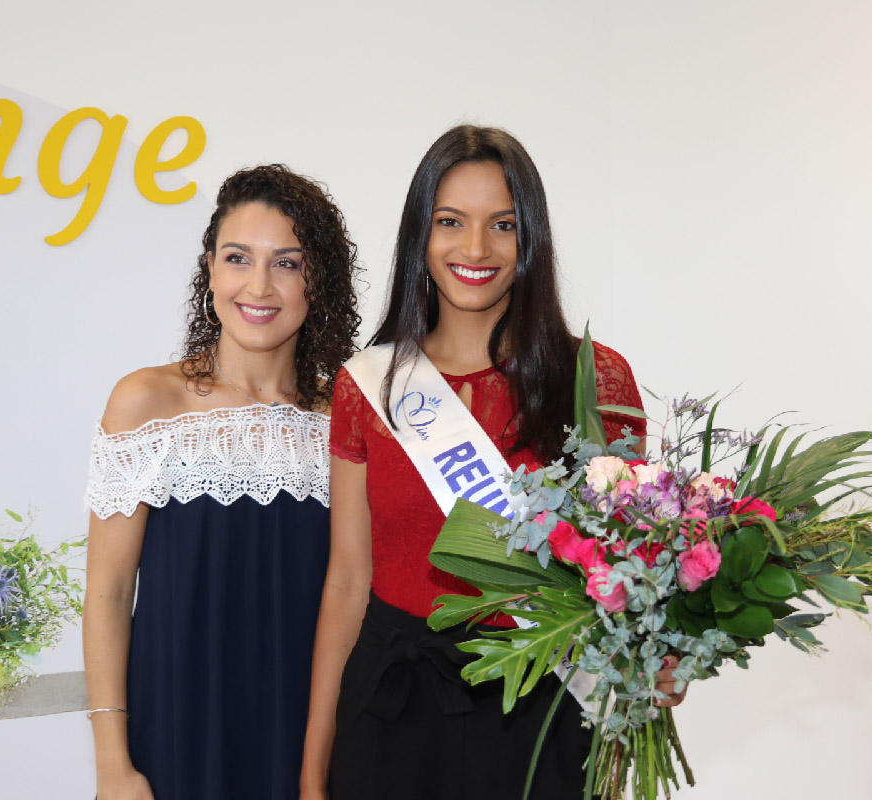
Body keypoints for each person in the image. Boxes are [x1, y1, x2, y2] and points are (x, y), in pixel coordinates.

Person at [299, 125, 683, 800]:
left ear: (528, 240)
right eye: (451, 221)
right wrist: (311, 773)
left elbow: (630, 571)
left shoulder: (594, 380)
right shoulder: (370, 387)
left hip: (541, 712)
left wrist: (654, 665)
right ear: (421, 235)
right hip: (392, 707)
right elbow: (347, 582)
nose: (474, 248)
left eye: (501, 225)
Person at [82, 164, 359, 800]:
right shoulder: (145, 401)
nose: (259, 285)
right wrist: (112, 765)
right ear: (210, 270)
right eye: (239, 258)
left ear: (319, 280)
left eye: (287, 263)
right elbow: (108, 592)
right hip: (177, 733)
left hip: (308, 743)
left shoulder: (344, 420)